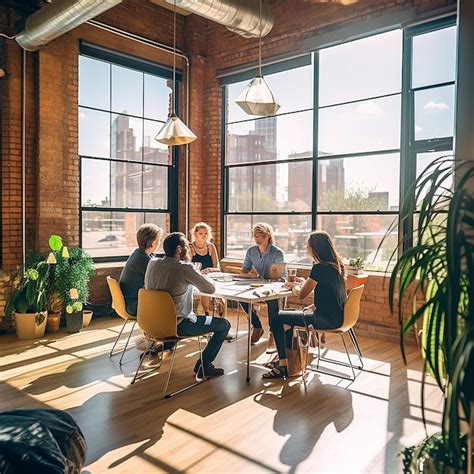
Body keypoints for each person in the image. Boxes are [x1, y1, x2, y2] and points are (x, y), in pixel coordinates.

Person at [144, 232, 231, 379]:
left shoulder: (152, 263)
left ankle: (167, 346)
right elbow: (210, 289)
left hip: (151, 323)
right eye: (186, 247)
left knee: (196, 316)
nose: (188, 250)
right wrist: (197, 272)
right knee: (223, 325)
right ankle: (204, 366)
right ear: (179, 249)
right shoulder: (184, 268)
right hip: (179, 324)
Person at [262, 231, 346, 379]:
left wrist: (293, 286)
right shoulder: (337, 266)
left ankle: (283, 365)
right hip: (338, 317)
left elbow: (301, 295)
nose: (306, 247)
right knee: (286, 317)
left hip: (324, 319)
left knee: (276, 318)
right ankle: (288, 362)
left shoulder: (319, 268)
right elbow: (330, 293)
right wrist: (311, 302)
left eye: (308, 245)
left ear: (315, 248)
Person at [240, 223, 287, 344]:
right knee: (241, 297)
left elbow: (279, 276)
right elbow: (245, 270)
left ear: (267, 236)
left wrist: (263, 280)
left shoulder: (277, 253)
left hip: (277, 285)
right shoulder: (251, 251)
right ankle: (257, 326)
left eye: (260, 236)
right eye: (255, 236)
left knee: (272, 300)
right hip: (260, 284)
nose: (257, 239)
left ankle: (273, 332)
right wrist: (248, 275)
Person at [119, 223, 162, 316]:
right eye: (158, 240)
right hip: (133, 305)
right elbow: (160, 279)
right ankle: (163, 328)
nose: (160, 243)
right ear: (152, 242)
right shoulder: (143, 259)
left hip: (129, 301)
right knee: (168, 300)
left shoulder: (139, 253)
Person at [190, 222, 225, 316]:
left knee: (208, 287)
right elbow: (187, 267)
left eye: (206, 233)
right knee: (202, 288)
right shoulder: (190, 247)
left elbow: (217, 268)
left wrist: (209, 270)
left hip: (210, 277)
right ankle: (203, 313)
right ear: (195, 234)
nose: (203, 236)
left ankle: (209, 314)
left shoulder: (211, 247)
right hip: (195, 279)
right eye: (200, 234)